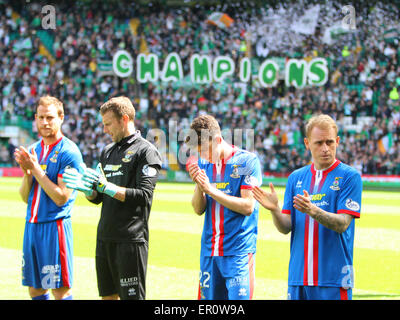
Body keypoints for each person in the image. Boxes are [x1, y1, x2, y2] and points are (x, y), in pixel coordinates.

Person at [252, 114, 362, 300]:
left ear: (337, 141)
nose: (325, 148)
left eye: (330, 142)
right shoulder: (296, 178)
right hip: (298, 277)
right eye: (319, 143)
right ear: (307, 143)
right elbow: (286, 227)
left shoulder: (350, 177)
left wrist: (313, 210)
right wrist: (275, 209)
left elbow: (343, 223)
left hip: (334, 279)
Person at [63, 96, 162, 300]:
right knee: (108, 297)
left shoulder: (146, 151)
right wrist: (88, 190)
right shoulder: (107, 151)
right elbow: (99, 197)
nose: (105, 130)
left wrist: (108, 187)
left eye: (108, 124)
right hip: (104, 238)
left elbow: (144, 196)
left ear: (124, 119)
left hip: (130, 241)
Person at [14, 96, 84, 300]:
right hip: (32, 226)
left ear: (61, 118)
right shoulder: (34, 150)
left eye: (50, 117)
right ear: (35, 118)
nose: (45, 122)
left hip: (55, 227)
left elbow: (61, 197)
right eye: (41, 117)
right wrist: (28, 174)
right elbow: (25, 197)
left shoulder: (69, 152)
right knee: (35, 289)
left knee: (60, 291)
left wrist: (35, 169)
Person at [185, 114, 262, 300]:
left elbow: (248, 206)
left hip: (238, 253)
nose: (203, 156)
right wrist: (199, 185)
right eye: (199, 152)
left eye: (205, 150)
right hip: (210, 253)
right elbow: (197, 208)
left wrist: (211, 190)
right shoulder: (204, 163)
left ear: (218, 140)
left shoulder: (247, 162)